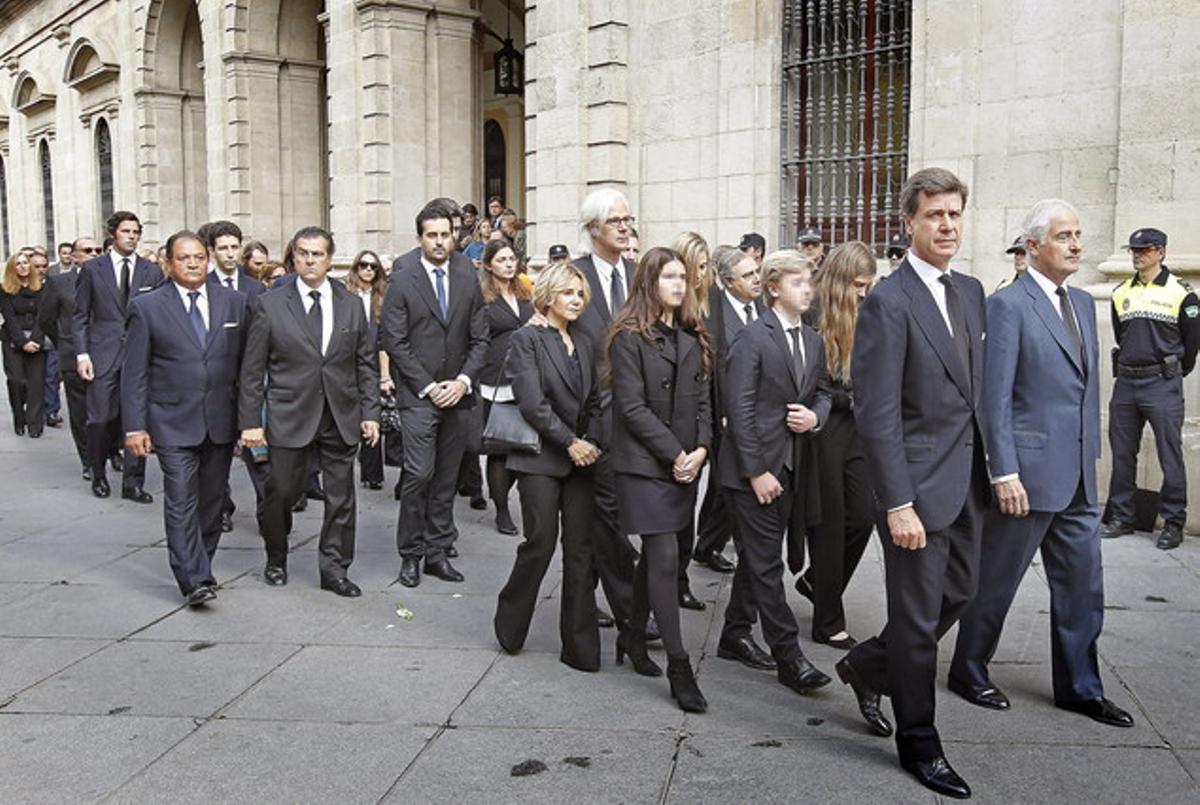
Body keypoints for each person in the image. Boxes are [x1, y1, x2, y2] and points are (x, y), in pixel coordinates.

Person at [950, 199, 1134, 731]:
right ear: (1032, 247)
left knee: (1083, 585)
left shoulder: (1082, 301)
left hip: (1077, 471)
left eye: (1078, 234)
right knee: (996, 581)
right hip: (1025, 476)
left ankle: (1080, 688)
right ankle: (969, 668)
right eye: (1063, 236)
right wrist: (1002, 471)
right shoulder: (1009, 304)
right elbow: (995, 395)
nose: (1077, 244)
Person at [835, 168, 987, 799]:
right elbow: (876, 413)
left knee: (962, 594)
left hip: (967, 481)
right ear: (910, 223)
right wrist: (897, 503)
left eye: (954, 214)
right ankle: (919, 743)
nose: (947, 225)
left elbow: (973, 395)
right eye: (934, 216)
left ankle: (868, 665)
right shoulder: (889, 303)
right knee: (919, 621)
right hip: (914, 490)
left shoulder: (973, 291)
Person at [238, 226, 380, 596]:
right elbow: (252, 370)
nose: (310, 260)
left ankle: (334, 569)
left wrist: (371, 412)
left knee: (341, 498)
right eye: (303, 253)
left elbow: (365, 363)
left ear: (330, 259)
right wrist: (251, 423)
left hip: (340, 413)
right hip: (289, 413)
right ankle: (276, 556)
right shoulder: (270, 303)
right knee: (281, 491)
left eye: (317, 254)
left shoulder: (351, 303)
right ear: (293, 257)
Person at [715, 248, 833, 692]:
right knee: (766, 563)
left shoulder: (814, 338)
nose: (808, 290)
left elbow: (822, 391)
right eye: (799, 282)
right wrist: (756, 471)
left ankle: (733, 632)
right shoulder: (753, 337)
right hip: (754, 471)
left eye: (810, 282)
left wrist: (815, 416)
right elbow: (738, 408)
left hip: (792, 466)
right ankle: (790, 656)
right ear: (774, 288)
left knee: (758, 556)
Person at [608, 246, 713, 713]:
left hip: (685, 466)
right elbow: (631, 408)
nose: (679, 284)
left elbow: (709, 404)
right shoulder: (627, 338)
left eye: (682, 277)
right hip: (644, 466)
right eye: (669, 276)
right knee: (666, 557)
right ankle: (679, 665)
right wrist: (676, 454)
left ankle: (631, 637)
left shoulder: (693, 335)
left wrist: (702, 451)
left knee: (659, 556)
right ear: (649, 282)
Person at [122, 231, 249, 606]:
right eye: (183, 258)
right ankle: (193, 579)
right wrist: (135, 426)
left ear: (208, 259)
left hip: (220, 421)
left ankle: (201, 564)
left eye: (198, 257)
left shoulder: (234, 302)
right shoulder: (147, 307)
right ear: (169, 263)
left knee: (212, 502)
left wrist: (249, 420)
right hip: (170, 421)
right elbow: (134, 373)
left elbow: (246, 366)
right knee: (180, 500)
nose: (192, 264)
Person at [494, 262, 604, 669]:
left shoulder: (586, 341)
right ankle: (511, 619)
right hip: (540, 457)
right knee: (540, 543)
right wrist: (570, 441)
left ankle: (579, 649)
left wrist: (589, 441)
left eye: (580, 294)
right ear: (548, 296)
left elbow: (595, 400)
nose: (575, 300)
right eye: (567, 293)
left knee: (580, 551)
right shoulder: (527, 340)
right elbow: (532, 403)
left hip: (582, 460)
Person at [383, 200, 488, 588]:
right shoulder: (403, 276)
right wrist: (428, 386)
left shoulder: (466, 272)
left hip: (458, 393)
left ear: (455, 235)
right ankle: (410, 555)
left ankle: (437, 552)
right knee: (418, 474)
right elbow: (394, 340)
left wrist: (462, 381)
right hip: (418, 396)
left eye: (446, 234)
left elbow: (480, 336)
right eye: (432, 235)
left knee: (446, 479)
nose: (440, 241)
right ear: (420, 238)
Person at [568, 187, 641, 633]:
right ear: (594, 228)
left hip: (634, 414)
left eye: (627, 220)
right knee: (600, 514)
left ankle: (594, 597)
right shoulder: (571, 275)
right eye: (616, 221)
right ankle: (627, 606)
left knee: (609, 513)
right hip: (587, 417)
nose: (625, 227)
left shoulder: (637, 275)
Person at [797, 241, 877, 649]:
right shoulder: (810, 311)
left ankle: (816, 581)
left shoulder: (868, 311)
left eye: (868, 284)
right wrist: (849, 399)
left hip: (859, 427)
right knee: (828, 525)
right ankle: (828, 621)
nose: (863, 292)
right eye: (858, 284)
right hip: (823, 428)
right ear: (840, 280)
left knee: (863, 515)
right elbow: (811, 383)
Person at [1100, 227, 1198, 550]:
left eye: (1145, 249)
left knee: (1170, 454)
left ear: (1161, 252)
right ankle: (1122, 516)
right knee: (1123, 453)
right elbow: (1120, 335)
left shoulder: (1182, 294)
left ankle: (1173, 522)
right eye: (1134, 250)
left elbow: (1192, 343)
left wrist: (1170, 374)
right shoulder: (1119, 292)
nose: (1138, 254)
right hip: (1126, 382)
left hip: (1162, 383)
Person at [74, 210, 162, 501]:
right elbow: (80, 315)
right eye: (126, 231)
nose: (132, 237)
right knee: (99, 418)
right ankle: (98, 473)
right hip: (102, 354)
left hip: (140, 356)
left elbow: (160, 316)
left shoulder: (151, 271)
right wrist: (82, 354)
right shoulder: (92, 269)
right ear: (113, 234)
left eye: (136, 232)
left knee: (137, 418)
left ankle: (133, 484)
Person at [692, 247, 765, 576]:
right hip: (724, 416)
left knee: (725, 485)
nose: (756, 279)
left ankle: (707, 544)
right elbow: (708, 370)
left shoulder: (763, 308)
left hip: (758, 414)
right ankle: (709, 545)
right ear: (726, 281)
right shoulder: (712, 312)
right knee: (725, 484)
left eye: (756, 271)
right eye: (748, 275)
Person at [473, 240, 534, 534]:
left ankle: (519, 498)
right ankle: (501, 510)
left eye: (511, 258)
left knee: (522, 444)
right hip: (494, 378)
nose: (509, 264)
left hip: (526, 377)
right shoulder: (482, 297)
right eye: (501, 260)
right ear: (488, 265)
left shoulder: (525, 292)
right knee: (499, 446)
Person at [40, 237, 104, 475]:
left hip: (107, 354)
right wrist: (64, 343)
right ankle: (88, 460)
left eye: (98, 250)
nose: (94, 254)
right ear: (74, 256)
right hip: (72, 355)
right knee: (80, 412)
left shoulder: (111, 281)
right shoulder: (59, 283)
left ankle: (112, 450)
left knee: (110, 410)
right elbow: (46, 318)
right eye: (88, 250)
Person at [343, 250, 390, 491]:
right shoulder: (344, 294)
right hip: (345, 364)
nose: (368, 270)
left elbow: (384, 339)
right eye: (364, 265)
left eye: (373, 267)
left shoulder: (383, 297)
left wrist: (385, 374)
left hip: (371, 362)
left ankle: (373, 473)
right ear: (356, 267)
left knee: (372, 417)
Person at [0, 252, 48, 437]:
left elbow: (44, 315)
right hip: (13, 339)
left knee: (36, 384)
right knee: (16, 381)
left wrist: (35, 339)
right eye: (18, 263)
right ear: (12, 268)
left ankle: (35, 424)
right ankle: (19, 417)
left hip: (37, 338)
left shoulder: (43, 289)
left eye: (26, 263)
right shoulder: (5, 289)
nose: (22, 266)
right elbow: (9, 318)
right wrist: (22, 342)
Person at [30, 249, 62, 428]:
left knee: (52, 376)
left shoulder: (54, 284)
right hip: (30, 340)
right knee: (33, 378)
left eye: (44, 266)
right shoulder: (23, 286)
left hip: (51, 338)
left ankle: (51, 411)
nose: (41, 270)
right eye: (37, 266)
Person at [205, 221, 265, 301]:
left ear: (241, 249)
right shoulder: (204, 286)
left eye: (234, 247)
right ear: (211, 251)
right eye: (223, 248)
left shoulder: (256, 287)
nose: (230, 254)